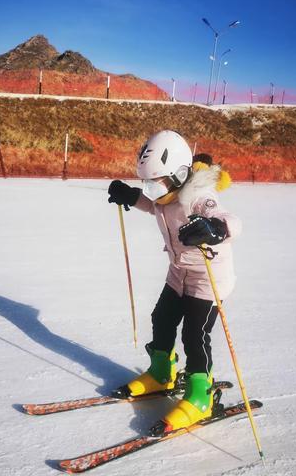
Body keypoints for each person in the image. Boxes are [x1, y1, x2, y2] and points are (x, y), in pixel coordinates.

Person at [107, 130, 241, 434]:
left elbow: (233, 221)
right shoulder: (164, 194)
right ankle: (161, 373)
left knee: (195, 334)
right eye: (149, 185)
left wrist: (214, 227)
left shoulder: (198, 197)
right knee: (162, 318)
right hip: (179, 270)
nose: (154, 191)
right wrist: (132, 196)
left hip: (209, 277)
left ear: (181, 174)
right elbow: (155, 206)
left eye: (158, 183)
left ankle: (200, 396)